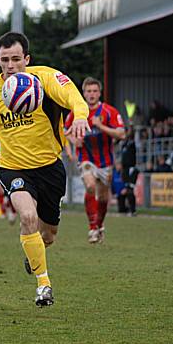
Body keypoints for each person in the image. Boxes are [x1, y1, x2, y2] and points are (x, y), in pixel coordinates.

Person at [0, 31, 89, 307]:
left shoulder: (46, 79)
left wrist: (81, 116)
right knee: (27, 216)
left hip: (50, 168)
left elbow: (74, 97)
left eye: (16, 58)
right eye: (5, 60)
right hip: (12, 168)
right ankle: (44, 286)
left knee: (47, 235)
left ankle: (34, 252)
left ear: (27, 58)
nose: (10, 65)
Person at [64, 76, 125, 244]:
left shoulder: (109, 112)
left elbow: (122, 133)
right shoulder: (77, 112)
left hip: (105, 161)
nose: (91, 94)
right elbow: (64, 131)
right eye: (88, 91)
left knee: (104, 197)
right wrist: (74, 141)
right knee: (90, 186)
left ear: (100, 93)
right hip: (85, 158)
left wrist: (101, 126)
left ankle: (99, 225)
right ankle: (92, 228)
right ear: (83, 93)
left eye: (95, 91)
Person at [117, 129, 138, 216]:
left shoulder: (132, 143)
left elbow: (131, 135)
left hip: (131, 169)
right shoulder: (123, 145)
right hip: (125, 170)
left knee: (130, 190)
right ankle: (124, 209)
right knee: (123, 190)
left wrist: (131, 127)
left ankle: (133, 210)